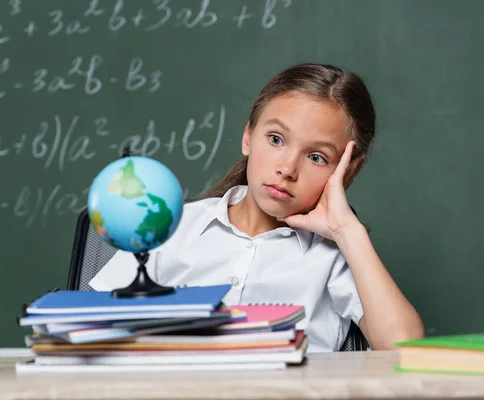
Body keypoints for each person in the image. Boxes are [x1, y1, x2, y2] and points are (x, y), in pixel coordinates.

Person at [89, 63, 424, 352]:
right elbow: (88, 328)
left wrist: (347, 231)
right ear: (248, 135)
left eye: (316, 157)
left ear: (348, 170)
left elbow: (404, 348)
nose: (287, 168)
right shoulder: (171, 225)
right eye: (276, 139)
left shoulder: (336, 256)